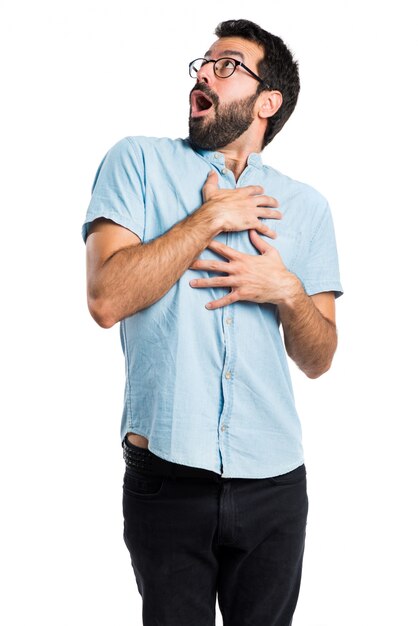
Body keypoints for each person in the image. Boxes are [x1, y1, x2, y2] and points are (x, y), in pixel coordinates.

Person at [82, 18, 343, 626]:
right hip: (168, 475)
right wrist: (208, 219)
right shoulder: (137, 163)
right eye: (202, 63)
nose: (203, 73)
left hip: (274, 481)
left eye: (226, 65)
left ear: (267, 102)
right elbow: (105, 299)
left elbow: (320, 355)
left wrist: (287, 291)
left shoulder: (306, 207)